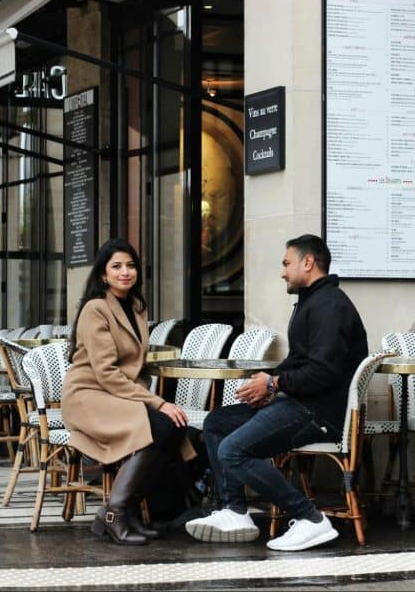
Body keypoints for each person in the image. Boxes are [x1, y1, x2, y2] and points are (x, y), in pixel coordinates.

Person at [186, 233, 368, 551]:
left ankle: (310, 519)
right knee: (217, 422)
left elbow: (323, 372)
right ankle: (235, 511)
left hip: (319, 413)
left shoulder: (330, 306)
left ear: (308, 262)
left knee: (232, 451)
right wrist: (270, 384)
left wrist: (273, 384)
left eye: (287, 263)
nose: (283, 271)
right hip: (299, 402)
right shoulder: (313, 302)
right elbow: (300, 362)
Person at [62, 238, 194, 546]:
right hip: (88, 395)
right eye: (117, 266)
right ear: (104, 275)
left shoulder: (136, 306)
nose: (125, 272)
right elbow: (106, 372)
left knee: (174, 427)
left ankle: (118, 511)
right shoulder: (96, 309)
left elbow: (133, 366)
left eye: (130, 265)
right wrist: (157, 402)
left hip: (118, 393)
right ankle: (115, 513)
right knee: (156, 424)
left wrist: (155, 403)